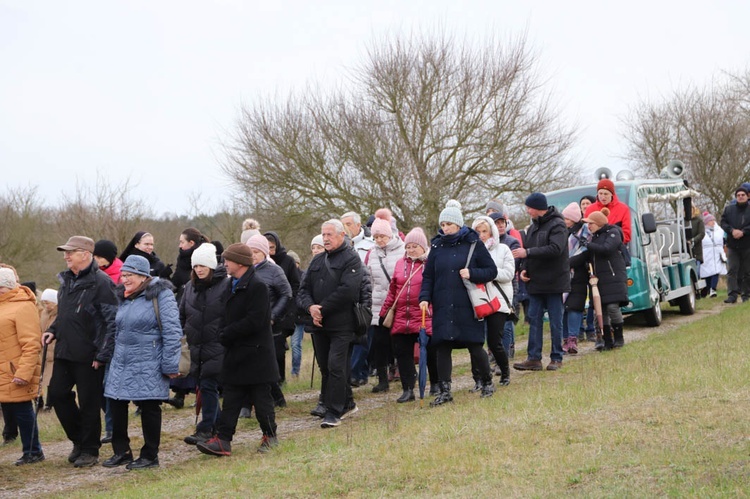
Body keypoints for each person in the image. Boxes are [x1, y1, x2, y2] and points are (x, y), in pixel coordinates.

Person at [43, 236, 118, 468]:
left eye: (71, 252)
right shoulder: (66, 280)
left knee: (89, 403)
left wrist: (102, 354)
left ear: (85, 254)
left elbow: (111, 321)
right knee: (56, 395)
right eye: (65, 252)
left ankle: (90, 449)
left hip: (90, 354)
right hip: (65, 350)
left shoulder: (102, 282)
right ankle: (79, 439)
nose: (66, 256)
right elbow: (65, 313)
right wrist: (53, 329)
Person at [197, 244, 279, 455]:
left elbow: (256, 320)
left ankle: (270, 436)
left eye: (227, 260)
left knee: (261, 399)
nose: (224, 264)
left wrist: (228, 332)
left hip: (257, 353)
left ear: (240, 263)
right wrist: (222, 332)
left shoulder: (257, 286)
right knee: (231, 398)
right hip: (235, 352)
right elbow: (223, 314)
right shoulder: (229, 284)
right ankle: (223, 440)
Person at [102, 255, 181, 470]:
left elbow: (173, 331)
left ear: (143, 275)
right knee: (116, 403)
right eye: (123, 275)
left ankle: (150, 456)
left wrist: (170, 364)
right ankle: (122, 451)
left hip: (149, 360)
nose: (124, 279)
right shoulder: (124, 297)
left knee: (149, 406)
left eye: (129, 275)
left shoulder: (161, 295)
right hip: (122, 360)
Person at [419, 200, 498, 405]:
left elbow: (491, 271)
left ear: (458, 224)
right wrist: (424, 298)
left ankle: (487, 382)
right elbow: (428, 276)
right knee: (442, 346)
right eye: (442, 224)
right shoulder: (436, 246)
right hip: (443, 303)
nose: (445, 228)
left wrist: (472, 273)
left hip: (467, 303)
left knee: (474, 344)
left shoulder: (473, 243)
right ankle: (445, 391)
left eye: (449, 224)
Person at [297, 219, 364, 427]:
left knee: (336, 365)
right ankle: (348, 402)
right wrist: (310, 308)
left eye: (330, 235)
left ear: (341, 235)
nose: (325, 238)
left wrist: (322, 309)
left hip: (342, 324)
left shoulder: (351, 259)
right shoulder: (317, 261)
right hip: (319, 325)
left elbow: (348, 291)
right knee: (326, 367)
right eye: (323, 235)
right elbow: (302, 290)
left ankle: (334, 411)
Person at [512, 193, 569, 372]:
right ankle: (534, 358)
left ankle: (556, 357)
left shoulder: (558, 224)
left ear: (537, 207)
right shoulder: (533, 227)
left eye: (529, 207)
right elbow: (528, 251)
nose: (527, 210)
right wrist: (523, 269)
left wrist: (527, 254)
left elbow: (555, 249)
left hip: (554, 281)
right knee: (534, 320)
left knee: (555, 321)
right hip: (535, 282)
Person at [180, 243, 230, 446]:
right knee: (204, 386)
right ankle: (216, 425)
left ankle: (206, 428)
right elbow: (182, 312)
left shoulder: (225, 285)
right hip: (195, 346)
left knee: (208, 385)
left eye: (203, 265)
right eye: (196, 266)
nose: (199, 269)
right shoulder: (190, 287)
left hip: (216, 345)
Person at [379, 228, 437, 401]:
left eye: (415, 246)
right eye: (408, 246)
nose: (411, 250)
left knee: (431, 352)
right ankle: (408, 389)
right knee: (403, 354)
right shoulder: (399, 264)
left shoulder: (430, 264)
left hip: (424, 315)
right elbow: (393, 291)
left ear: (423, 247)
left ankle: (435, 383)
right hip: (402, 317)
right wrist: (384, 312)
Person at [0, 267, 44, 466]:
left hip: (15, 370)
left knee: (22, 408)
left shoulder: (23, 306)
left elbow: (32, 343)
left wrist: (24, 372)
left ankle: (33, 451)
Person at [247, 234, 293, 408]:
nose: (253, 255)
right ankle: (247, 404)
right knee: (250, 364)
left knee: (266, 364)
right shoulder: (243, 271)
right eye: (250, 251)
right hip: (249, 325)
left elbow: (286, 294)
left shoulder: (274, 271)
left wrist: (273, 316)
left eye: (256, 252)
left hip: (270, 326)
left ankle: (277, 398)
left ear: (264, 252)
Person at [471, 216, 514, 387]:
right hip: (478, 300)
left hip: (498, 301)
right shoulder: (471, 251)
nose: (481, 235)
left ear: (492, 232)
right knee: (476, 342)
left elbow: (509, 274)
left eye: (484, 231)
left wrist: (488, 273)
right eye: (478, 232)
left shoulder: (503, 249)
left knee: (494, 341)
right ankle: (480, 379)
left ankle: (505, 372)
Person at [367, 210, 405, 393]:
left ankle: (405, 375)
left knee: (400, 343)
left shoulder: (404, 249)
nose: (379, 240)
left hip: (399, 303)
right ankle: (383, 380)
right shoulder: (372, 254)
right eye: (376, 237)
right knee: (379, 343)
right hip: (379, 304)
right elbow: (370, 279)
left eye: (382, 236)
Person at [582, 209, 629, 349]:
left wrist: (587, 245)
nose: (589, 226)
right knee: (601, 310)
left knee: (612, 307)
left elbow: (606, 249)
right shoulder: (593, 237)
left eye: (591, 223)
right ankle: (607, 339)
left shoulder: (613, 233)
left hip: (613, 277)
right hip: (599, 280)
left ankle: (619, 337)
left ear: (598, 223)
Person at [263, 231, 301, 387]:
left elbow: (295, 285)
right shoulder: (261, 263)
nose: (270, 251)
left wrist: (291, 308)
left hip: (285, 310)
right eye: (267, 248)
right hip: (267, 309)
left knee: (278, 348)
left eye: (272, 247)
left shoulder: (287, 261)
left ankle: (281, 379)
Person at [488, 210, 521, 359]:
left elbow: (513, 266)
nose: (501, 226)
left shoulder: (511, 242)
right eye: (497, 223)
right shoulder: (484, 245)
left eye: (503, 223)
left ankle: (505, 354)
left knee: (506, 323)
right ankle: (493, 354)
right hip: (489, 289)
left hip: (507, 288)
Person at [560, 202, 591, 355]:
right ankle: (564, 339)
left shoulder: (584, 233)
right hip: (563, 275)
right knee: (564, 308)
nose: (564, 221)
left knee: (575, 307)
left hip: (579, 275)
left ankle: (573, 338)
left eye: (567, 218)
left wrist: (567, 263)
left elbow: (585, 252)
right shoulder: (563, 233)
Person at [719, 186, 750, 303]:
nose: (740, 197)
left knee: (747, 271)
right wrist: (732, 231)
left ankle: (746, 294)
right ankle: (732, 295)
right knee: (732, 270)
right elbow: (723, 222)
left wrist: (743, 232)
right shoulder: (729, 210)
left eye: (743, 195)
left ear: (747, 196)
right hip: (733, 245)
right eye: (738, 195)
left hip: (747, 245)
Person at [584, 179, 632, 244]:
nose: (603, 197)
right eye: (600, 193)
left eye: (606, 194)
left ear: (612, 194)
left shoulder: (623, 209)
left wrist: (612, 241)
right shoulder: (590, 209)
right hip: (595, 249)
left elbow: (626, 235)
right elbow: (586, 232)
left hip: (616, 248)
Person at [172, 228, 210, 297]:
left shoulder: (206, 258)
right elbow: (175, 285)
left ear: (191, 243)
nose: (180, 246)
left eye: (182, 242)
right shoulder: (181, 259)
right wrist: (164, 277)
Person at [39, 288, 58, 411]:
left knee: (52, 380)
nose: (46, 305)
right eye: (44, 303)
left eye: (48, 302)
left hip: (55, 350)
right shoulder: (43, 313)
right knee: (43, 378)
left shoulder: (60, 314)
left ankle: (50, 403)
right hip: (44, 350)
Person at [700, 214, 726, 298]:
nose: (713, 222)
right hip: (706, 254)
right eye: (711, 220)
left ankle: (713, 289)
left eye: (713, 220)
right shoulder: (702, 231)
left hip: (717, 253)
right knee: (707, 273)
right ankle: (707, 288)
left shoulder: (719, 230)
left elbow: (723, 239)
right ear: (707, 222)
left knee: (716, 271)